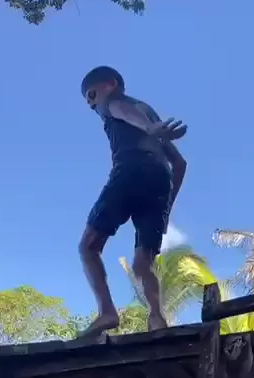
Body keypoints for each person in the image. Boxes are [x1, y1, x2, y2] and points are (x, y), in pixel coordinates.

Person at [78, 65, 188, 338]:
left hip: (129, 172)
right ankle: (157, 318)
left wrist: (150, 128)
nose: (91, 105)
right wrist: (166, 209)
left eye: (91, 95)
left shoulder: (113, 103)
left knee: (88, 247)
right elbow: (179, 163)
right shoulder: (148, 112)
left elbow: (120, 110)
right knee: (142, 263)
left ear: (110, 84)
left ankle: (107, 311)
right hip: (160, 181)